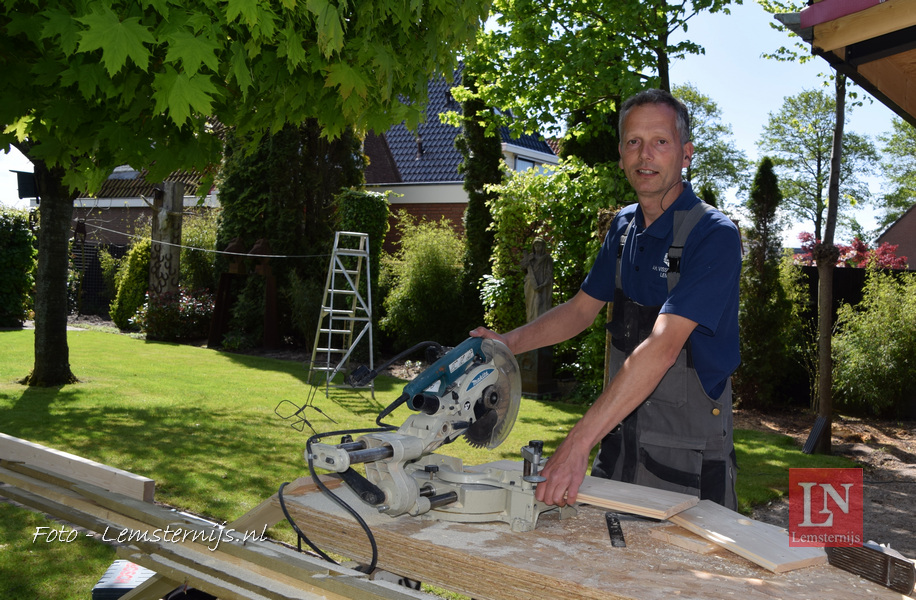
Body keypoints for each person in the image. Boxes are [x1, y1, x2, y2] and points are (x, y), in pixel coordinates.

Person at [471, 89, 742, 510]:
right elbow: (580, 310)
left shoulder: (713, 236)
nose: (645, 155)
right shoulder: (623, 228)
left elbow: (663, 346)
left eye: (661, 142)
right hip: (617, 446)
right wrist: (508, 344)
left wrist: (577, 442)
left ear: (686, 154)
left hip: (686, 462)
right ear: (621, 155)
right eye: (634, 142)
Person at [521, 238, 554, 322]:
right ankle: (532, 322)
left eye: (539, 245)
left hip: (542, 283)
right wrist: (526, 262)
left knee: (541, 304)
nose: (537, 247)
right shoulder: (530, 257)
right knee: (531, 305)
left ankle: (541, 323)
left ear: (543, 247)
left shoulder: (547, 258)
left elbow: (549, 273)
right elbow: (524, 269)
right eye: (535, 245)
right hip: (531, 283)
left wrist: (544, 283)